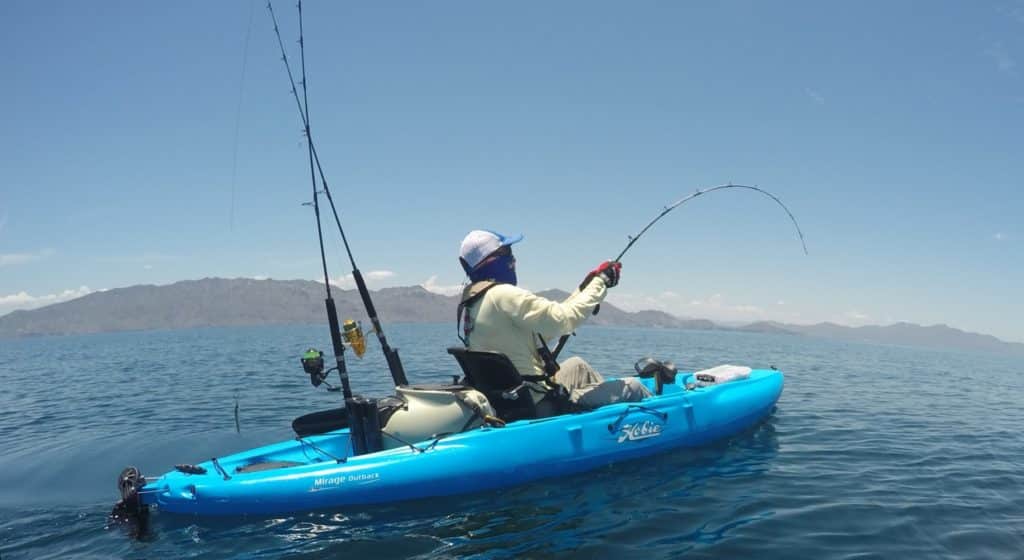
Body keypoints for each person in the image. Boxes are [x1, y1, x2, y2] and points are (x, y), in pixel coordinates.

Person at [457, 229, 652, 412]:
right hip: (537, 402)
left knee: (577, 365)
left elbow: (544, 329)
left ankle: (601, 418)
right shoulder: (503, 294)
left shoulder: (474, 302)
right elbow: (563, 319)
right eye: (507, 252)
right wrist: (601, 281)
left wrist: (585, 289)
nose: (513, 259)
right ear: (491, 260)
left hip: (509, 398)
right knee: (633, 387)